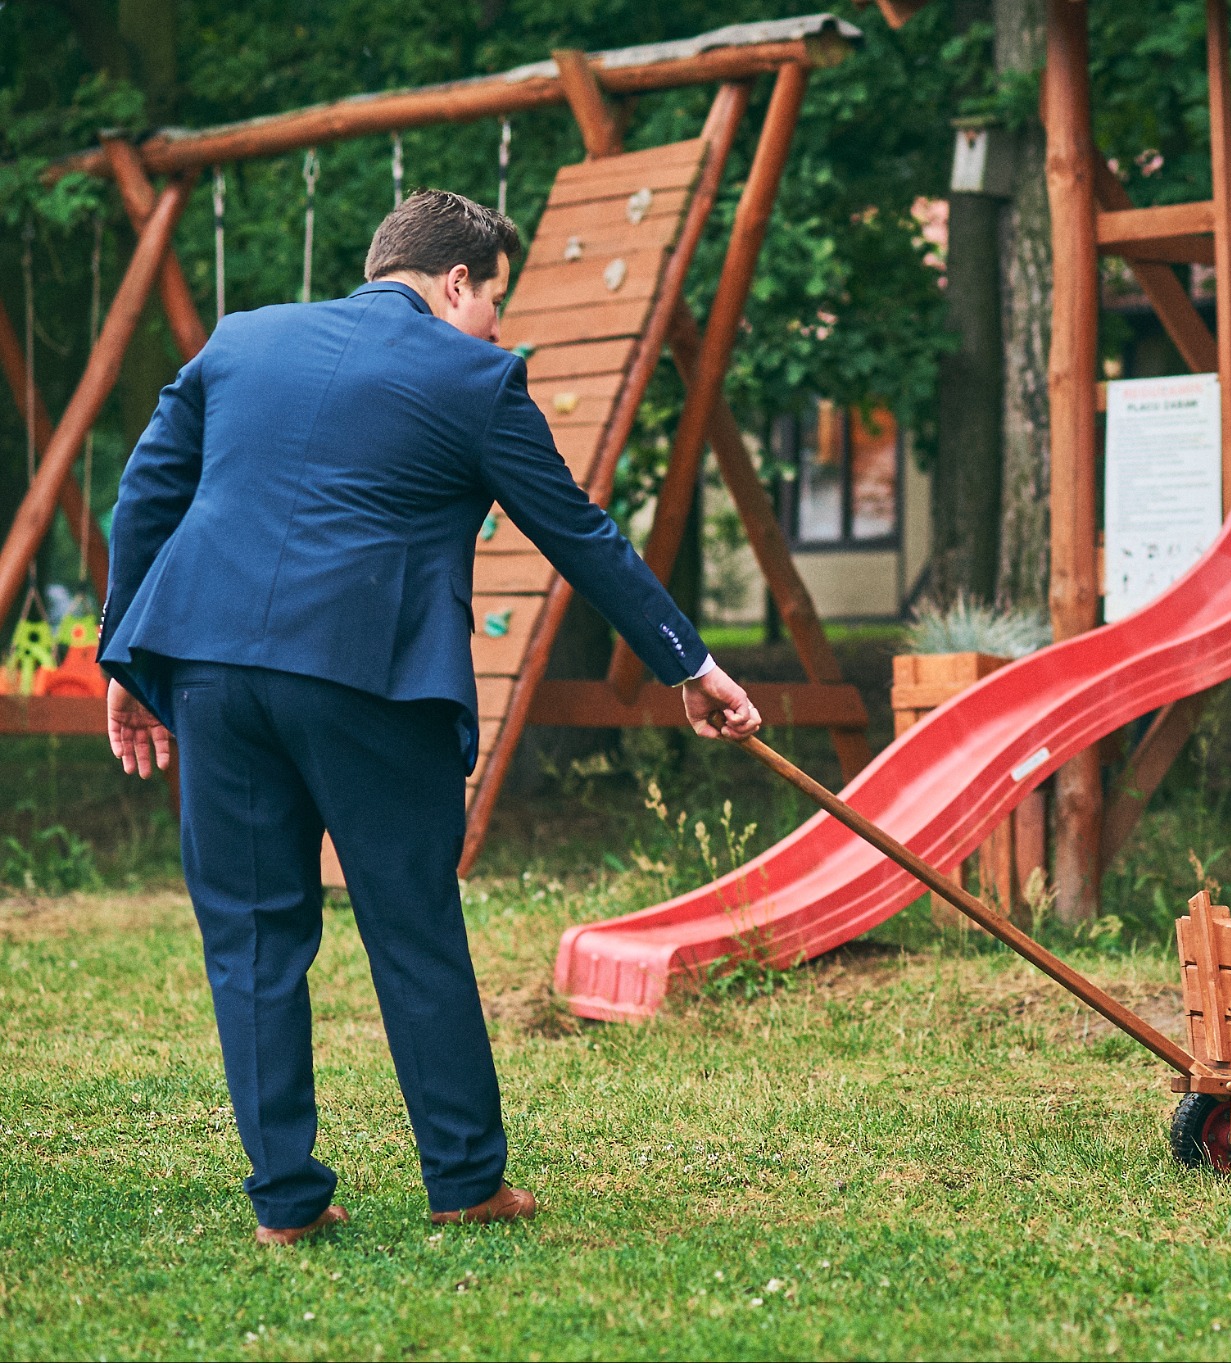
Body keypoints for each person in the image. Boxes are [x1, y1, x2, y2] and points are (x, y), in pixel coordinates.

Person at [98, 190, 762, 1247]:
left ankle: (286, 1206)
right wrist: (689, 662)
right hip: (368, 679)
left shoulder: (242, 339)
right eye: (495, 298)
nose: (498, 324)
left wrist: (124, 657)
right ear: (458, 282)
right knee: (410, 924)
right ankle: (463, 1178)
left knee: (251, 936)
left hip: (211, 667)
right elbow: (580, 535)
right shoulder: (476, 376)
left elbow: (144, 495)